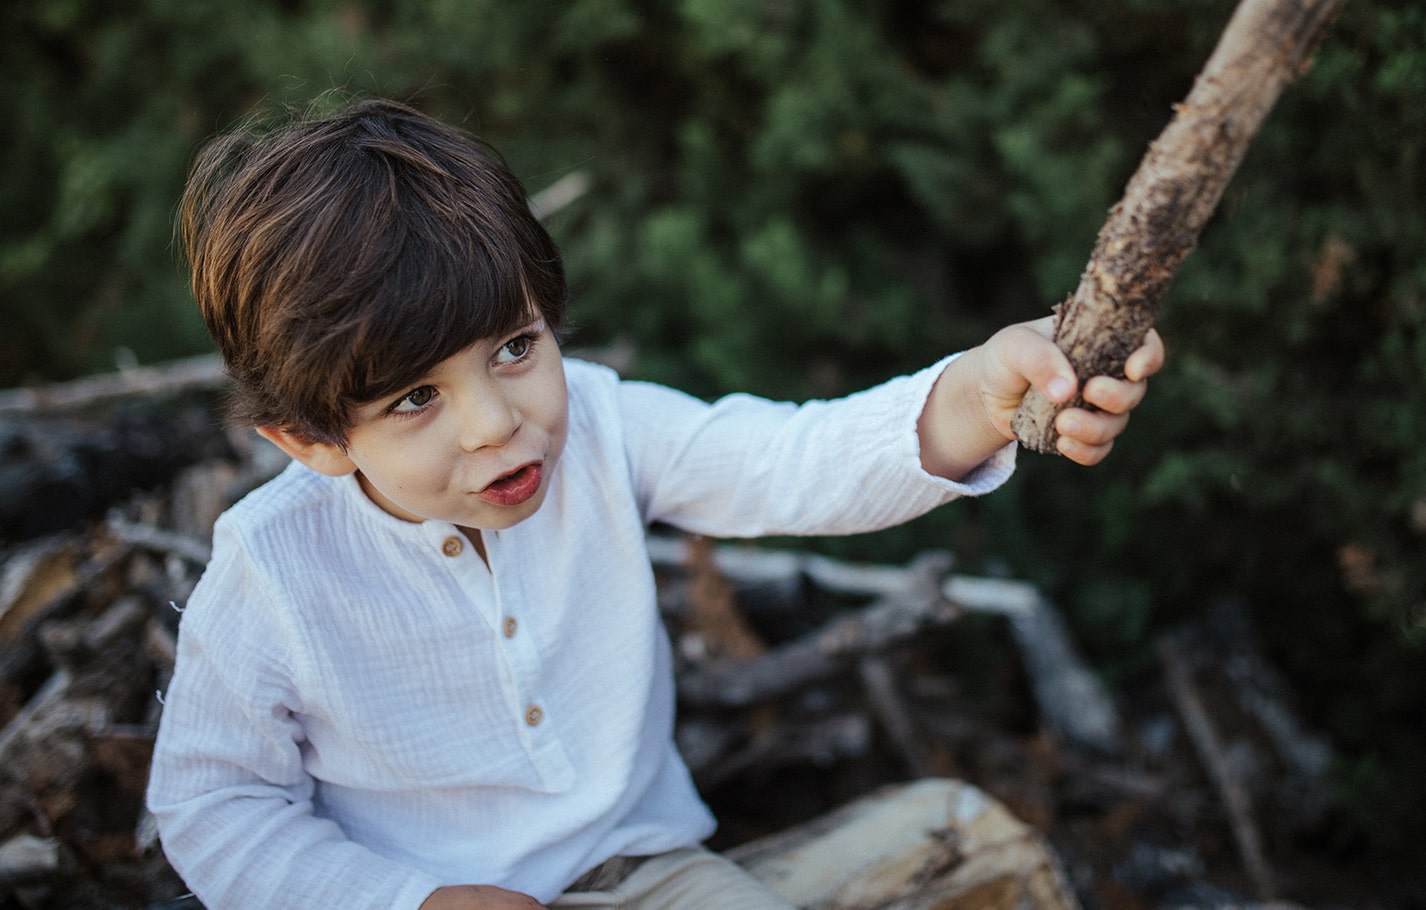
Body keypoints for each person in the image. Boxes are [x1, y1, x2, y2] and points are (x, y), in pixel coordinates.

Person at [146, 97, 1164, 910]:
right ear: (311, 439)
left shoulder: (600, 426)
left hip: (646, 876)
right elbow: (213, 800)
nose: (496, 422)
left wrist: (977, 397)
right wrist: (407, 899)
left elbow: (788, 459)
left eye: (514, 347)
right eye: (416, 398)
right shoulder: (272, 564)